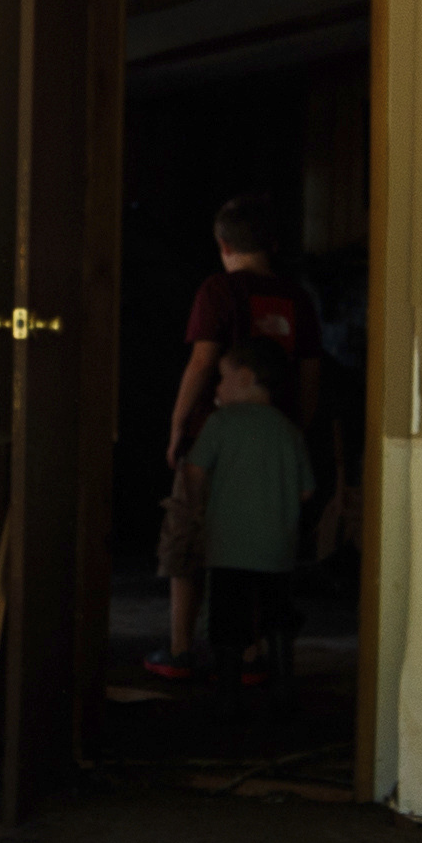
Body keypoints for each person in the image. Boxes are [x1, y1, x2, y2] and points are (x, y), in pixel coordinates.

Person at [149, 194, 322, 681]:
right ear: (271, 243)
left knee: (187, 533)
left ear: (223, 245)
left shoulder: (218, 291)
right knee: (256, 543)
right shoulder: (298, 299)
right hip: (274, 437)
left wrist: (179, 425)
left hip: (215, 435)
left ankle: (182, 646)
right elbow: (311, 373)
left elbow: (203, 360)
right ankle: (250, 652)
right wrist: (298, 429)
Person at [174, 342, 321, 689]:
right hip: (278, 552)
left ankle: (228, 695)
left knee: (227, 622)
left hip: (228, 547)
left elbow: (194, 470)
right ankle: (284, 688)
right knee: (277, 618)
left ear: (245, 378)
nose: (216, 388)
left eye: (221, 378)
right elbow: (307, 490)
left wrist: (198, 506)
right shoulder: (288, 430)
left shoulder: (221, 423)